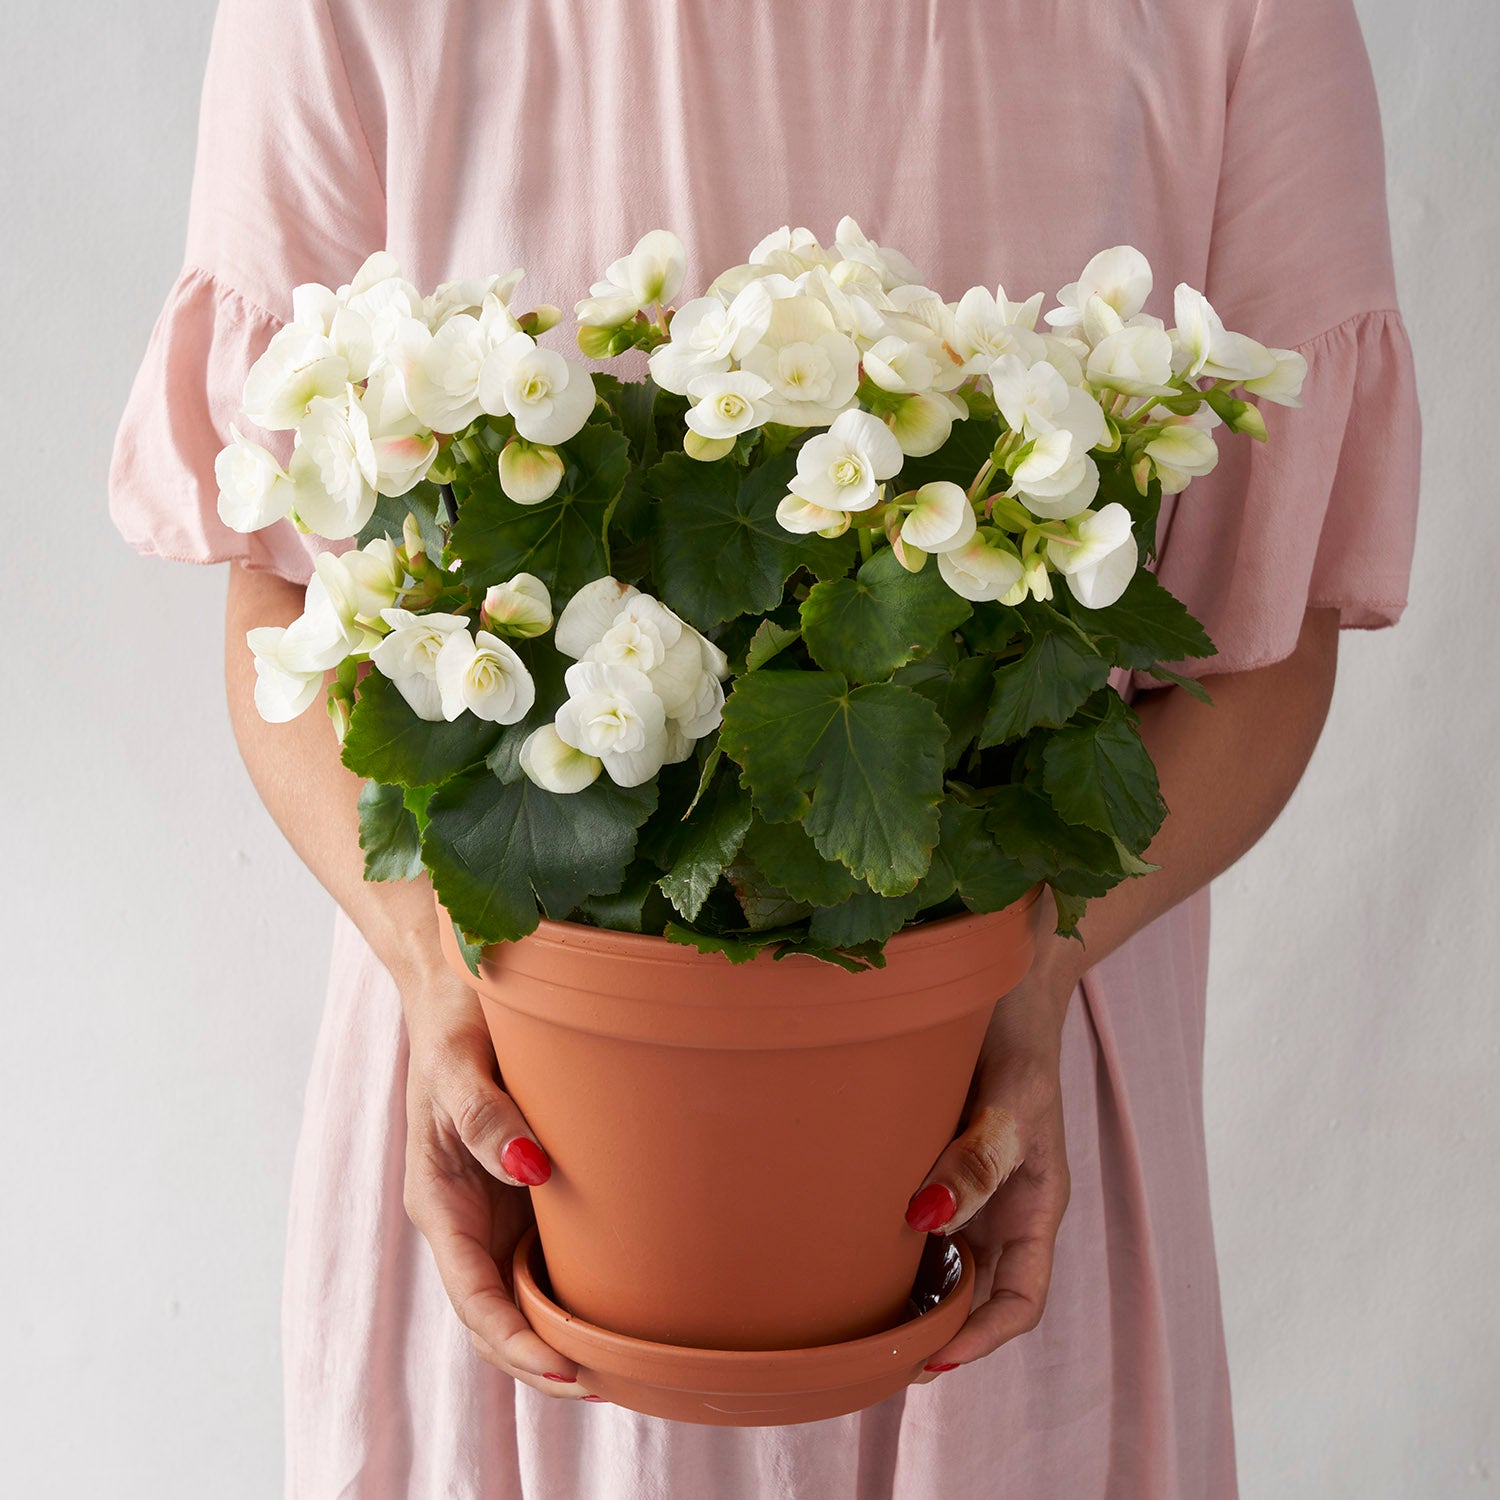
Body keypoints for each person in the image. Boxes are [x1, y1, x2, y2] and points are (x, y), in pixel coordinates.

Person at [108, 0, 1421, 1494]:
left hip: (984, 1133)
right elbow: (282, 592)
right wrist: (428, 962)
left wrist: (1035, 965)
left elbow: (1270, 636)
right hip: (514, 1123)